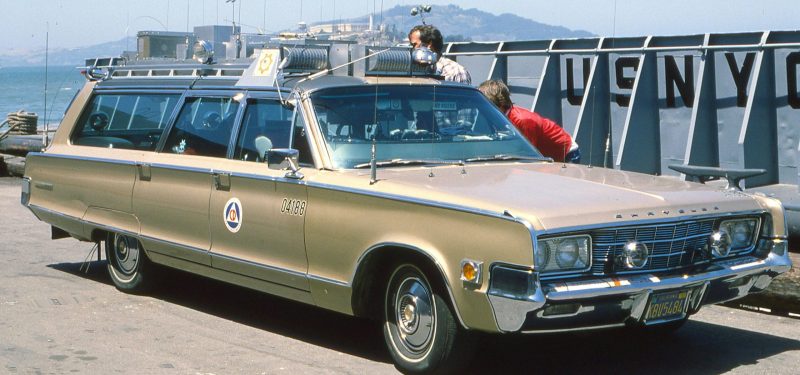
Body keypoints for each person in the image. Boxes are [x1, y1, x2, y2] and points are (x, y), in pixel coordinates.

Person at [478, 80, 580, 163]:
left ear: (500, 104)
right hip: (545, 156)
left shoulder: (522, 121)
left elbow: (529, 156)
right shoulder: (498, 118)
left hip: (566, 154)